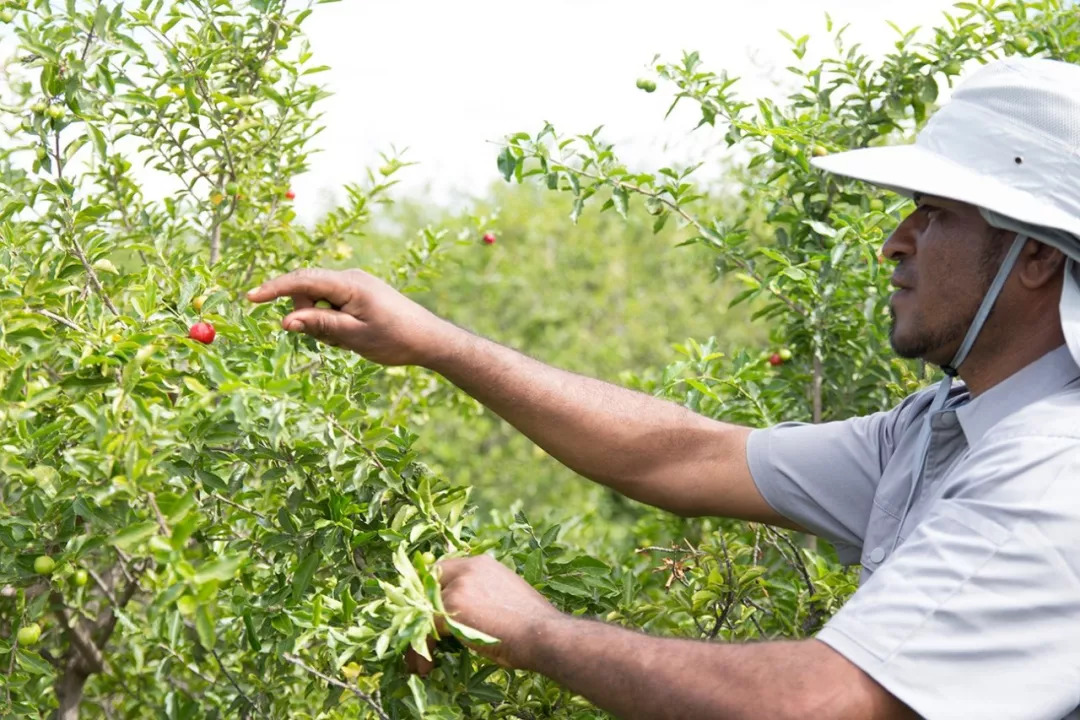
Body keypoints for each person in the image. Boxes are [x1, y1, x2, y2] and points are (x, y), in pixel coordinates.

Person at [247, 57, 1080, 720]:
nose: (895, 244)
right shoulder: (946, 426)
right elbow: (685, 455)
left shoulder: (1050, 473)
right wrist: (435, 342)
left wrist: (537, 632)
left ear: (1036, 256)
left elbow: (825, 702)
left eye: (933, 212)